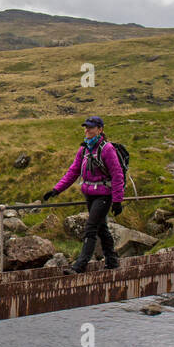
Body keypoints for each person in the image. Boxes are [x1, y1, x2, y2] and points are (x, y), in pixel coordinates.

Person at [41, 115, 124, 273]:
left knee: (91, 228)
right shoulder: (84, 149)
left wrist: (117, 200)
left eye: (91, 127)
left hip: (104, 195)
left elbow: (117, 175)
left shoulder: (107, 149)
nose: (87, 130)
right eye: (86, 127)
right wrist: (56, 190)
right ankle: (112, 260)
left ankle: (80, 265)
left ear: (100, 130)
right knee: (101, 228)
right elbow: (73, 172)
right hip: (89, 195)